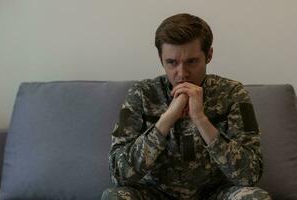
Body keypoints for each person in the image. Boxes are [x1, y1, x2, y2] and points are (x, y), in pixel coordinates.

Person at [102, 13, 271, 200]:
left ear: (209, 55)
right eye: (172, 62)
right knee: (114, 197)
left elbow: (250, 174)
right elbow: (119, 174)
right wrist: (166, 120)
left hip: (214, 194)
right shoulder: (141, 94)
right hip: (155, 194)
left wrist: (201, 119)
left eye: (192, 61)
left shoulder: (233, 93)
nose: (182, 73)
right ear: (160, 59)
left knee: (255, 197)